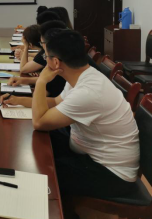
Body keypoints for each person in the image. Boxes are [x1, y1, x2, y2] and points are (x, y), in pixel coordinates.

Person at [31, 29, 139, 210]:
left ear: (56, 62)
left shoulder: (88, 92)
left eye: (45, 56)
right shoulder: (83, 76)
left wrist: (41, 81)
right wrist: (18, 100)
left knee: (41, 171)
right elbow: (55, 102)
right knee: (41, 146)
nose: (45, 60)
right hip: (91, 154)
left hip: (112, 175)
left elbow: (39, 122)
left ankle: (65, 213)